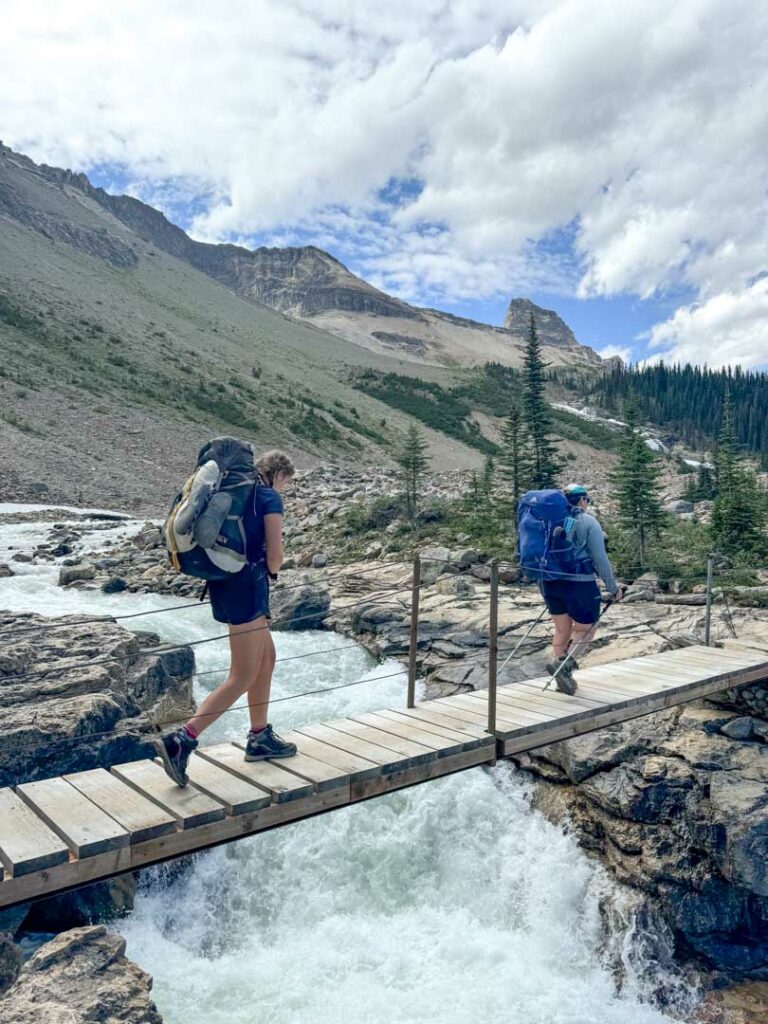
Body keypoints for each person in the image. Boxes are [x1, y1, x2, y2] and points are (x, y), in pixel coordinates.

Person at [157, 449, 298, 786]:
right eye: (286, 483)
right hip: (248, 589)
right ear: (279, 475)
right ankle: (182, 740)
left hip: (225, 584)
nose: (285, 488)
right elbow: (276, 559)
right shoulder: (267, 498)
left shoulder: (240, 494)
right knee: (243, 674)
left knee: (267, 659)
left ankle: (259, 736)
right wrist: (271, 566)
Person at [541, 484, 621, 695]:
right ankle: (564, 666)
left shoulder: (550, 521)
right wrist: (613, 588)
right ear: (583, 500)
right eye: (588, 499)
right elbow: (599, 558)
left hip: (549, 581)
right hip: (579, 582)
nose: (588, 503)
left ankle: (561, 676)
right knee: (585, 629)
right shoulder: (587, 521)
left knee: (561, 630)